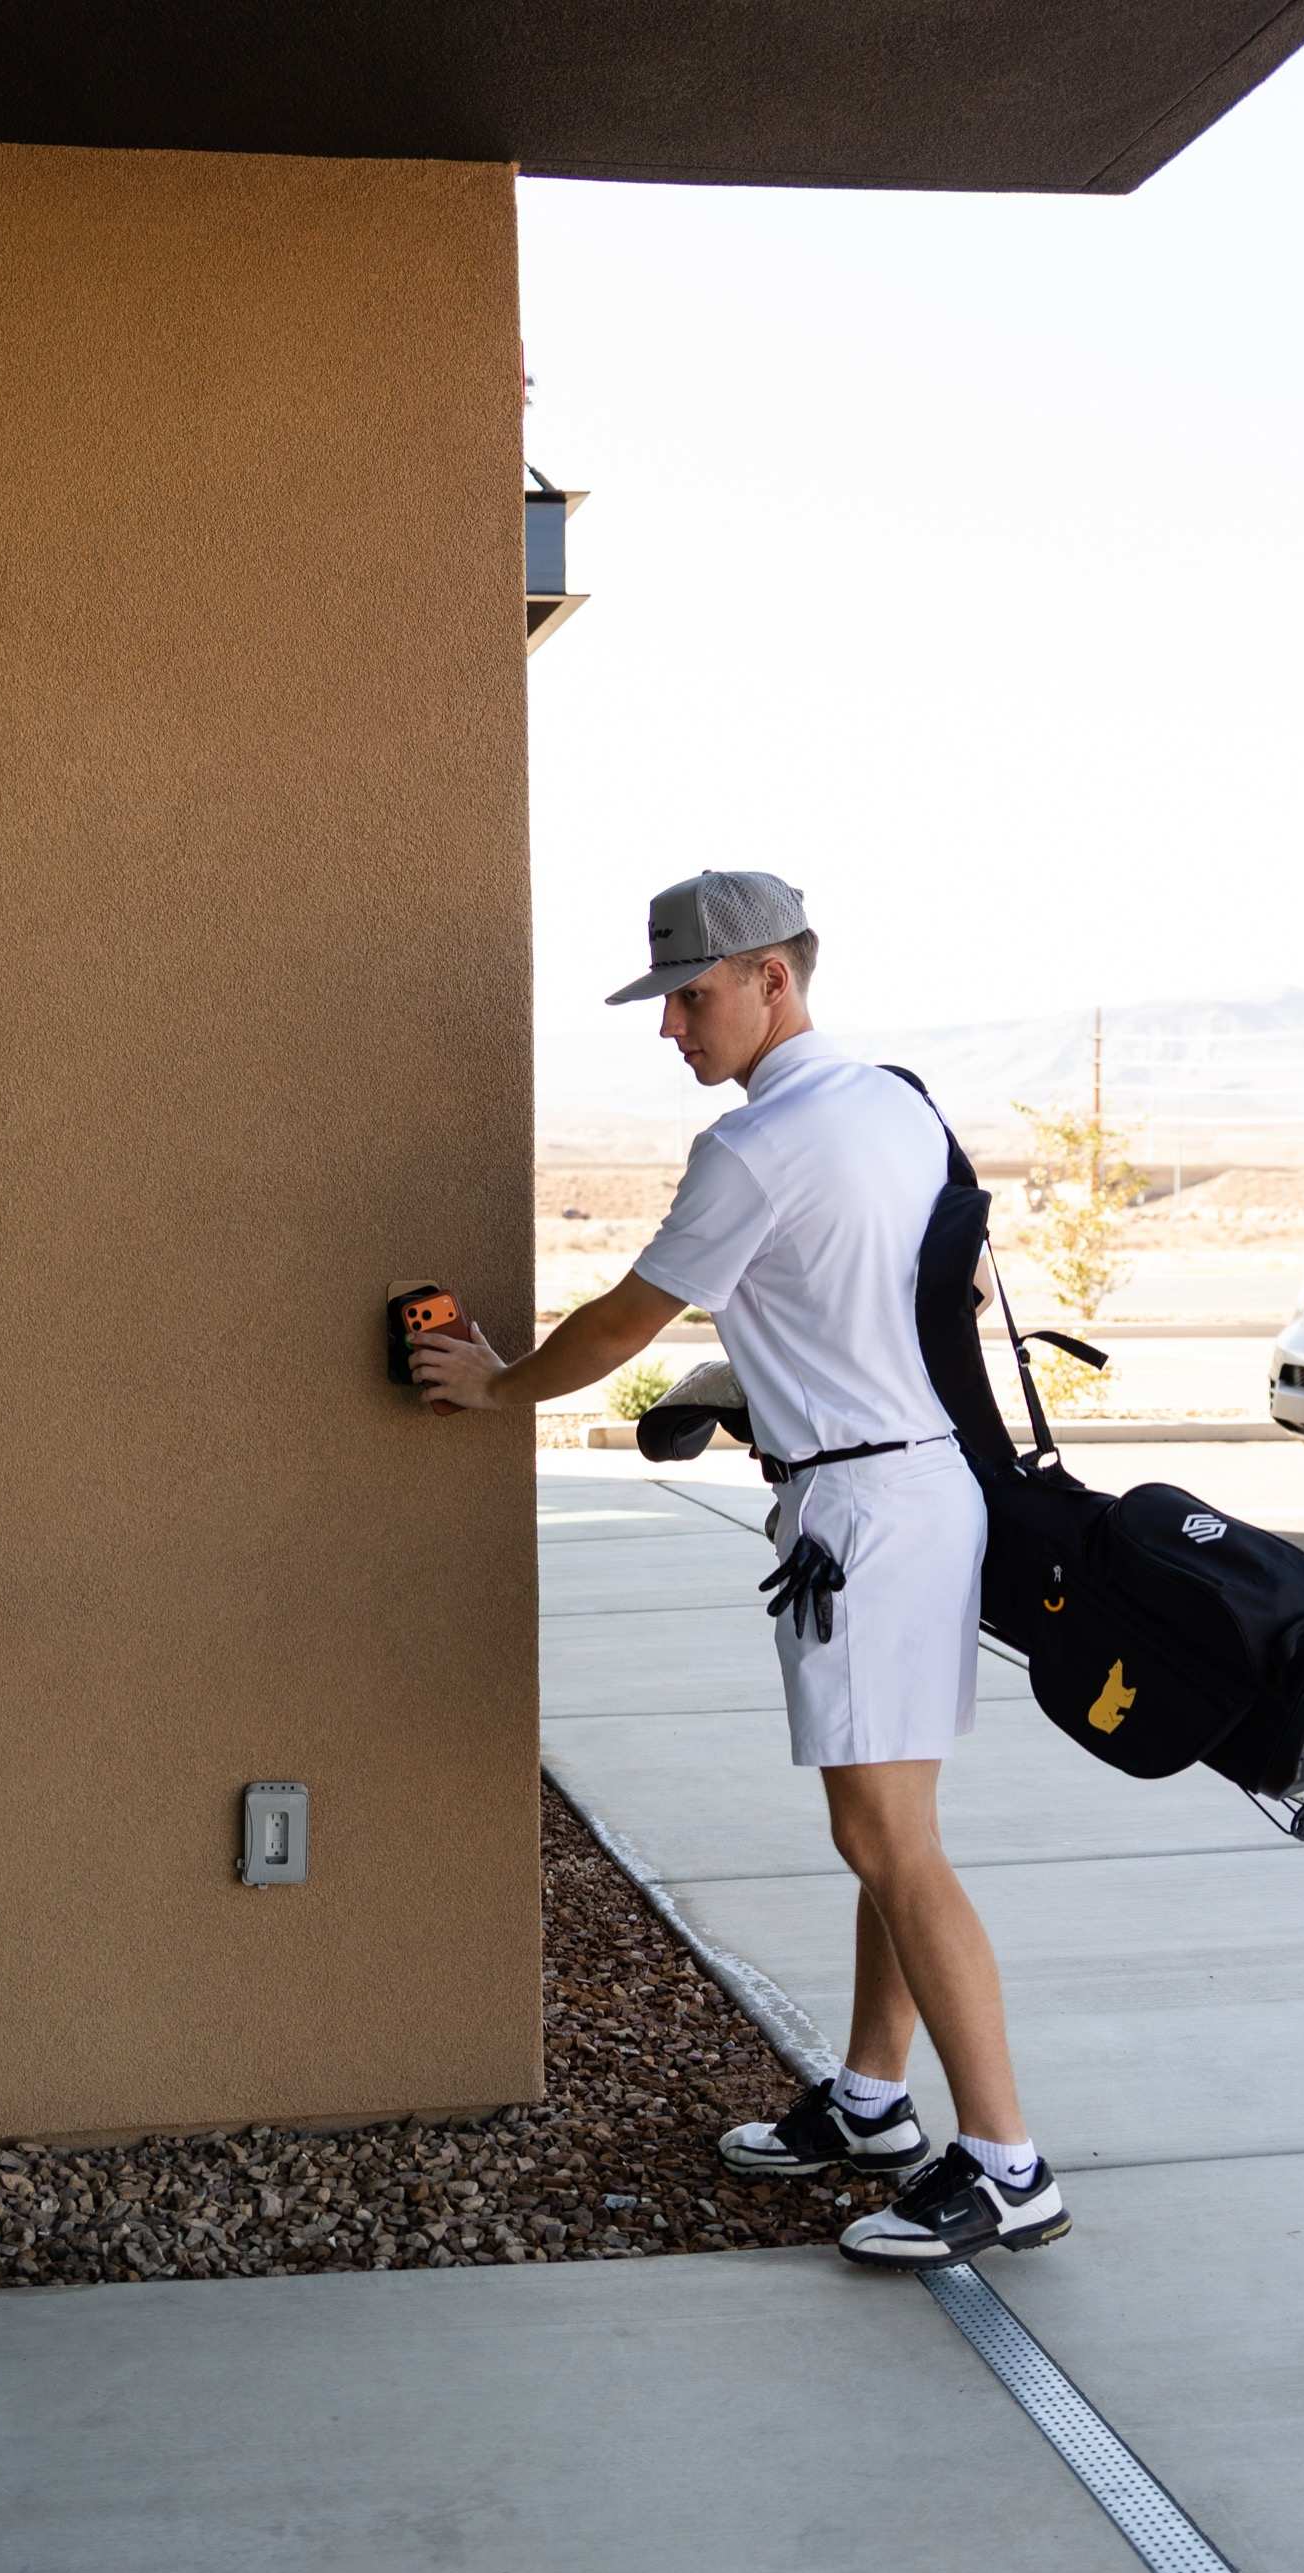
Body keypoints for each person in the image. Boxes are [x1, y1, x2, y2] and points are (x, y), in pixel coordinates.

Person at [409, 868, 1068, 2269]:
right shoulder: (897, 1102)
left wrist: (499, 1385)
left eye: (690, 996)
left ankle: (1008, 2164)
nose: (672, 1030)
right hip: (926, 1487)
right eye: (662, 1002)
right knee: (893, 1829)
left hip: (863, 1517)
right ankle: (876, 2100)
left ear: (776, 975)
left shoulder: (759, 1147)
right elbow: (922, 1294)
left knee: (887, 1842)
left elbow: (618, 1318)